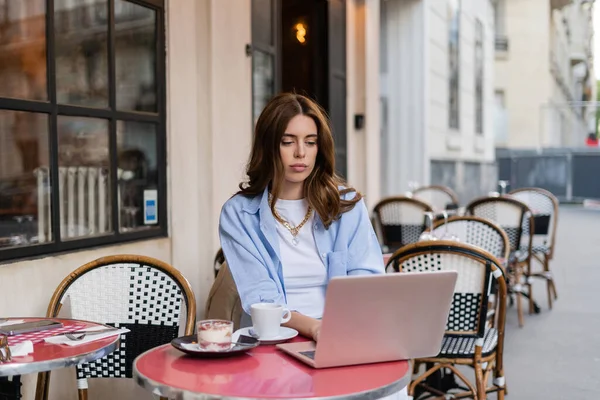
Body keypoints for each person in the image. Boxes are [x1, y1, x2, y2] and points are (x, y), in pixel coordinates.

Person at [219, 93, 407, 399]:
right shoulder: (238, 214)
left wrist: (338, 331)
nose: (300, 153)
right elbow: (262, 299)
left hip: (343, 333)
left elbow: (366, 276)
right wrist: (318, 330)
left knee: (389, 392)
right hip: (273, 341)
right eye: (287, 141)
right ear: (269, 145)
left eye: (310, 141)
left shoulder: (347, 205)